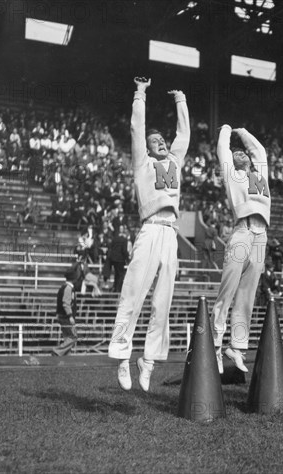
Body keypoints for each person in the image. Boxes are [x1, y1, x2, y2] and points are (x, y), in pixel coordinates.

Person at [108, 77, 190, 392]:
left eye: (161, 139)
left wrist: (181, 99)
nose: (159, 141)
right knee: (133, 292)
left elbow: (184, 134)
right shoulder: (142, 162)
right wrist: (140, 94)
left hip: (171, 233)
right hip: (150, 228)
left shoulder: (175, 161)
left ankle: (150, 361)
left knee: (163, 301)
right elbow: (136, 129)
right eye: (154, 139)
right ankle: (121, 356)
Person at [211, 125, 270, 374]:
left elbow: (260, 152)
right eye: (237, 154)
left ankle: (236, 347)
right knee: (228, 289)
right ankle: (214, 345)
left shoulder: (260, 174)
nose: (241, 154)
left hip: (261, 236)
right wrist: (226, 130)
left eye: (243, 153)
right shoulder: (231, 175)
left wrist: (243, 132)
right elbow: (222, 150)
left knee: (248, 294)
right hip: (241, 232)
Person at [51, 269, 78, 356]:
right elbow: (66, 303)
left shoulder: (64, 287)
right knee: (73, 336)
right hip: (65, 316)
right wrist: (70, 316)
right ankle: (57, 351)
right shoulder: (68, 288)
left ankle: (65, 355)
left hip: (62, 315)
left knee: (67, 337)